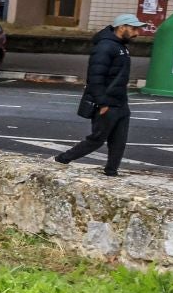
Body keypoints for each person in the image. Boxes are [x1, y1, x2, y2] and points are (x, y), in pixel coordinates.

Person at [55, 14, 142, 177]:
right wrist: (102, 103)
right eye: (134, 28)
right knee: (97, 139)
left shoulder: (121, 46)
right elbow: (95, 78)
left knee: (119, 141)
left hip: (120, 102)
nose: (137, 33)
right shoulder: (105, 47)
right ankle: (62, 159)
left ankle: (111, 171)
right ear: (122, 27)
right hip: (107, 103)